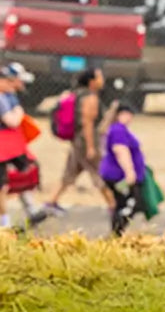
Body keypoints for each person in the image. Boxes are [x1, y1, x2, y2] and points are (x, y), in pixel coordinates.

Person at [45, 66, 115, 215]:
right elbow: (87, 123)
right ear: (91, 81)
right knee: (99, 172)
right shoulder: (90, 98)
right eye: (99, 77)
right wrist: (91, 147)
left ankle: (51, 201)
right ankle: (113, 205)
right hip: (86, 141)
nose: (102, 80)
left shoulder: (76, 94)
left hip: (76, 140)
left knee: (70, 172)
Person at [100, 100, 147, 237]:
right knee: (129, 203)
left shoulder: (119, 129)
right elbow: (120, 150)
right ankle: (117, 232)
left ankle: (117, 232)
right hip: (118, 175)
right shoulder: (118, 130)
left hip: (119, 174)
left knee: (122, 203)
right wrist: (129, 172)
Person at [0, 62, 39, 230]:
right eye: (16, 80)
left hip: (9, 147)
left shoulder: (10, 96)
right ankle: (4, 224)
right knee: (2, 185)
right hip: (3, 147)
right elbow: (12, 121)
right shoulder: (2, 98)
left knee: (26, 172)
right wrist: (19, 112)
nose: (20, 85)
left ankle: (31, 210)